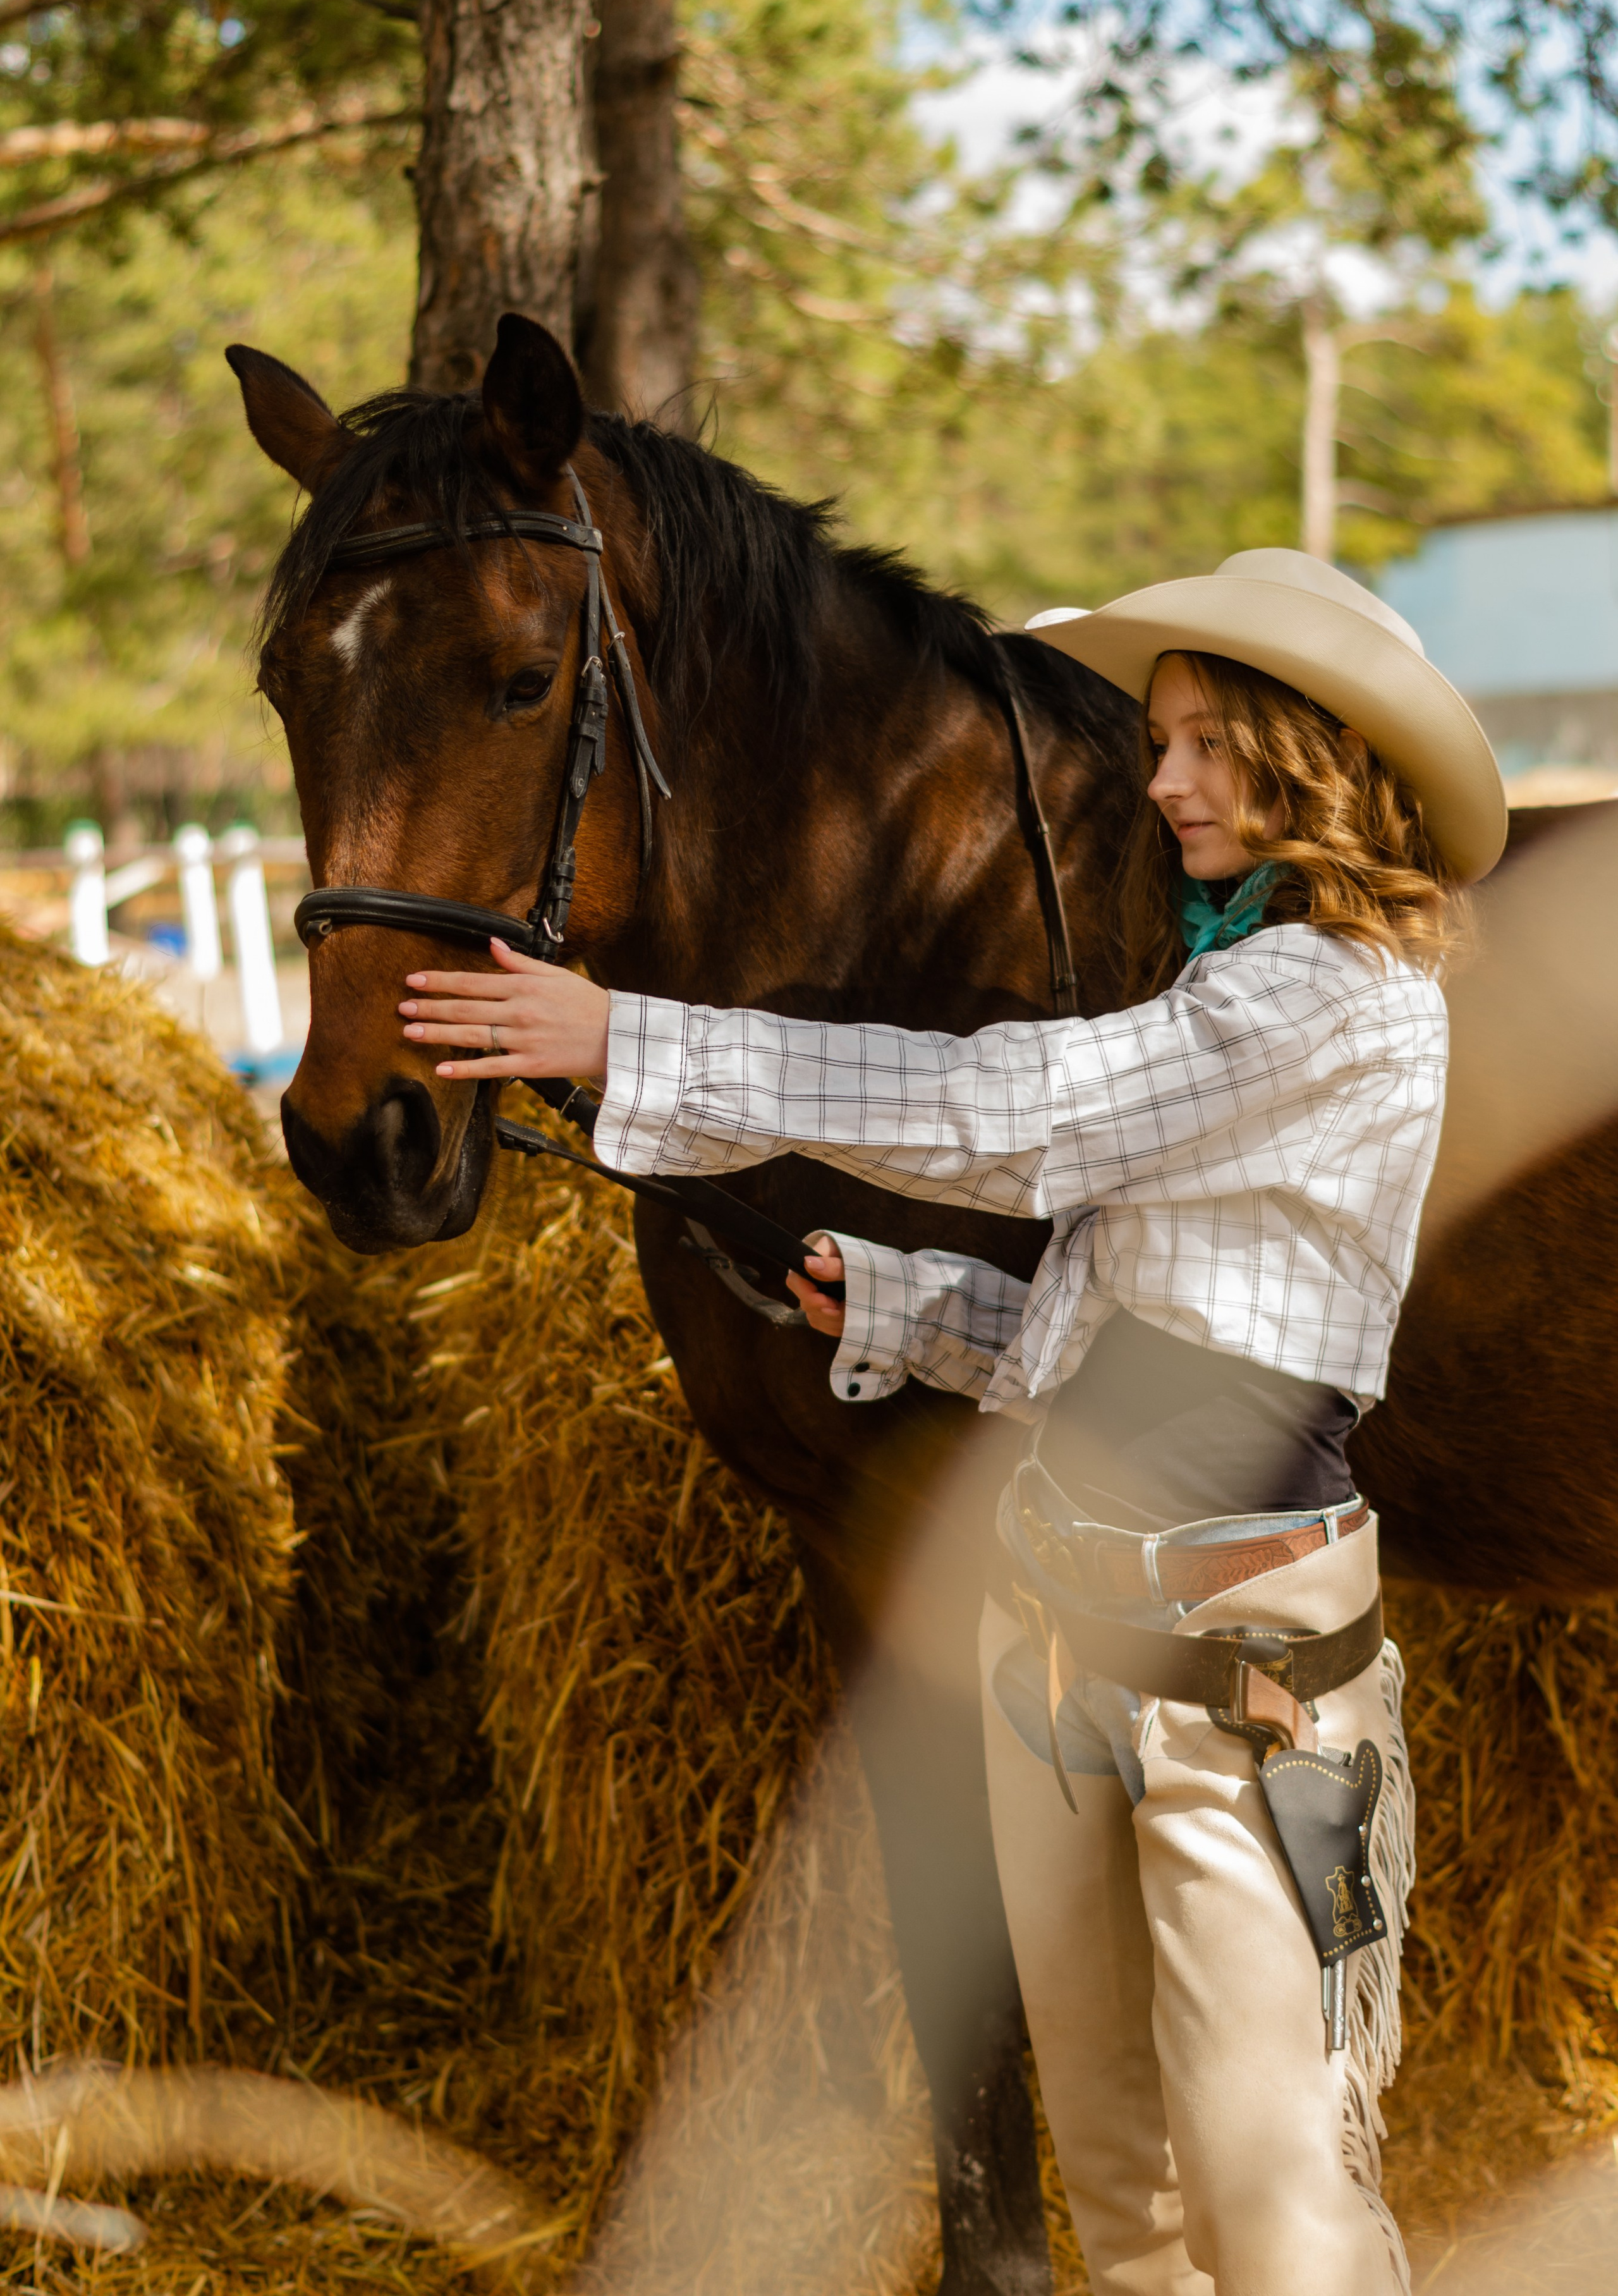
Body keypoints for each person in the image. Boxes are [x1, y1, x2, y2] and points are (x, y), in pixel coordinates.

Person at [394, 549, 1507, 2295]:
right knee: (1122, 2187)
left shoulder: (1337, 998)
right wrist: (915, 1307)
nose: (1160, 780)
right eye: (1159, 741)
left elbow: (1017, 1109)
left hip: (1240, 1664)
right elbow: (1136, 1338)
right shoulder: (1216, 981)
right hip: (1052, 1629)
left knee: (1268, 2193)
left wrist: (628, 1037)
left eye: (1202, 741)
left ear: (1310, 751)